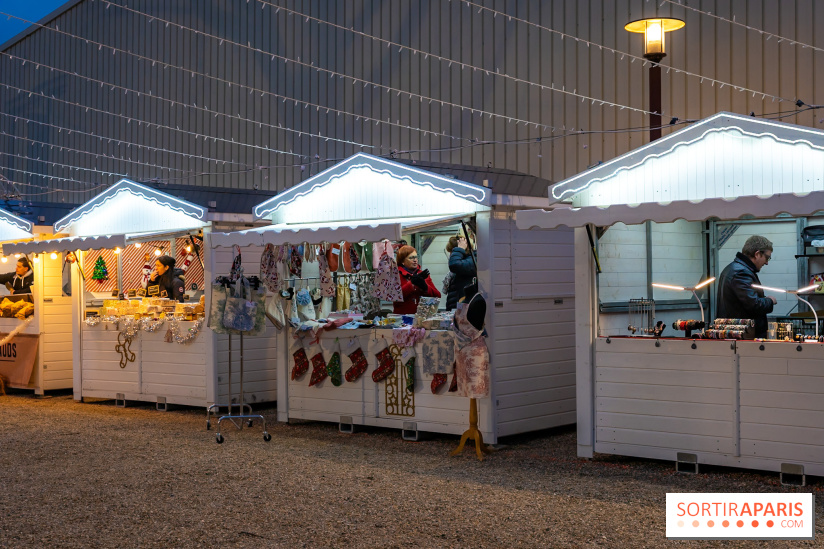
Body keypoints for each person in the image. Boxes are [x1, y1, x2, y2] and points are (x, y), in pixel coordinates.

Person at [716, 235, 777, 338]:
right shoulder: (741, 272)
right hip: (743, 336)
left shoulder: (735, 269)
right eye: (767, 257)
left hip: (738, 335)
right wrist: (770, 301)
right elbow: (754, 305)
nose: (766, 263)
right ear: (757, 254)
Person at [393, 245, 440, 314]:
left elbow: (437, 296)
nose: (415, 260)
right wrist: (411, 284)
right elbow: (395, 297)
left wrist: (425, 287)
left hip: (421, 317)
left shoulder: (422, 274)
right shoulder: (396, 275)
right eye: (411, 258)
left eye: (416, 257)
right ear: (402, 261)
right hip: (402, 318)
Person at [445, 235, 477, 310]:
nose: (451, 255)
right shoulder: (465, 261)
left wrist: (459, 249)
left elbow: (454, 265)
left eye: (452, 252)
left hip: (464, 308)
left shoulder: (472, 260)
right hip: (457, 307)